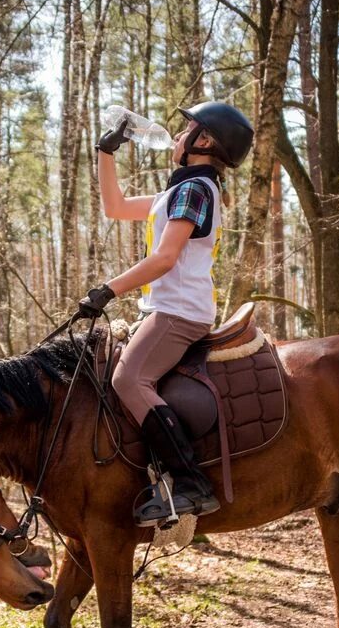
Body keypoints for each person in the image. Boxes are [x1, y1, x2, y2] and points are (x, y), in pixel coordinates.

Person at [74, 101, 254, 527]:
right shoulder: (179, 191)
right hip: (166, 308)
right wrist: (105, 152)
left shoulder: (194, 190)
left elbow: (166, 258)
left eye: (186, 128)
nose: (176, 136)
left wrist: (108, 290)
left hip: (178, 313)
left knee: (128, 379)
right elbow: (116, 207)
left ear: (203, 140)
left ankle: (189, 483)